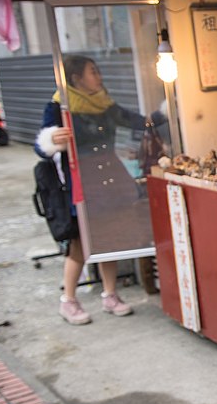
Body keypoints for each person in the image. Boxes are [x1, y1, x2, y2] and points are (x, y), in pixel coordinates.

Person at [35, 55, 161, 325]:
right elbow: (40, 147)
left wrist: (170, 107)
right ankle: (68, 300)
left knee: (109, 237)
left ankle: (110, 294)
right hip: (83, 182)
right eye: (93, 72)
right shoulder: (59, 107)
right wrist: (51, 139)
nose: (99, 77)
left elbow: (140, 121)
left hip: (111, 178)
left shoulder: (104, 104)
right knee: (80, 243)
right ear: (77, 78)